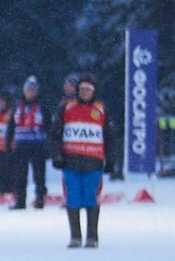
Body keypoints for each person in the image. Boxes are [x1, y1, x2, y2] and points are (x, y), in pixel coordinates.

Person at [56, 74, 109, 246]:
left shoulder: (101, 110)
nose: (85, 93)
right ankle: (75, 237)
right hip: (70, 162)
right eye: (82, 89)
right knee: (72, 198)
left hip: (94, 162)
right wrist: (56, 155)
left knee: (91, 198)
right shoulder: (67, 108)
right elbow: (55, 133)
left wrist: (112, 160)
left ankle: (92, 237)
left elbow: (110, 136)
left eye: (88, 90)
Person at [8, 76, 48, 210]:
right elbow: (11, 126)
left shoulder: (42, 106)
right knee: (19, 175)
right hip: (21, 145)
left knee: (39, 175)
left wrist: (48, 146)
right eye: (28, 90)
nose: (30, 93)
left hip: (38, 145)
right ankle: (20, 201)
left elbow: (49, 126)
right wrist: (8, 142)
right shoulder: (17, 106)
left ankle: (40, 199)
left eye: (32, 90)